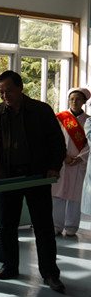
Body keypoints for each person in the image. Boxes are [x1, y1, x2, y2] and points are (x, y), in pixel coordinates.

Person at [0, 70, 66, 293]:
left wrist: (53, 167)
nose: (5, 95)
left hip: (36, 176)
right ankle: (9, 266)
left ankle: (50, 273)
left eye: (8, 90)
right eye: (1, 92)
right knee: (7, 225)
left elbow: (57, 142)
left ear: (20, 87)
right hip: (7, 178)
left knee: (43, 226)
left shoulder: (41, 110)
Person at [51, 87, 90, 236]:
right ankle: (56, 225)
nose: (74, 102)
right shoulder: (60, 118)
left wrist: (80, 157)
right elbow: (54, 140)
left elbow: (90, 144)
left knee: (76, 196)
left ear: (84, 101)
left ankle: (72, 226)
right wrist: (63, 156)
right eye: (72, 99)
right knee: (58, 194)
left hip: (80, 163)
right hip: (62, 162)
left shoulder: (88, 120)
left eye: (78, 99)